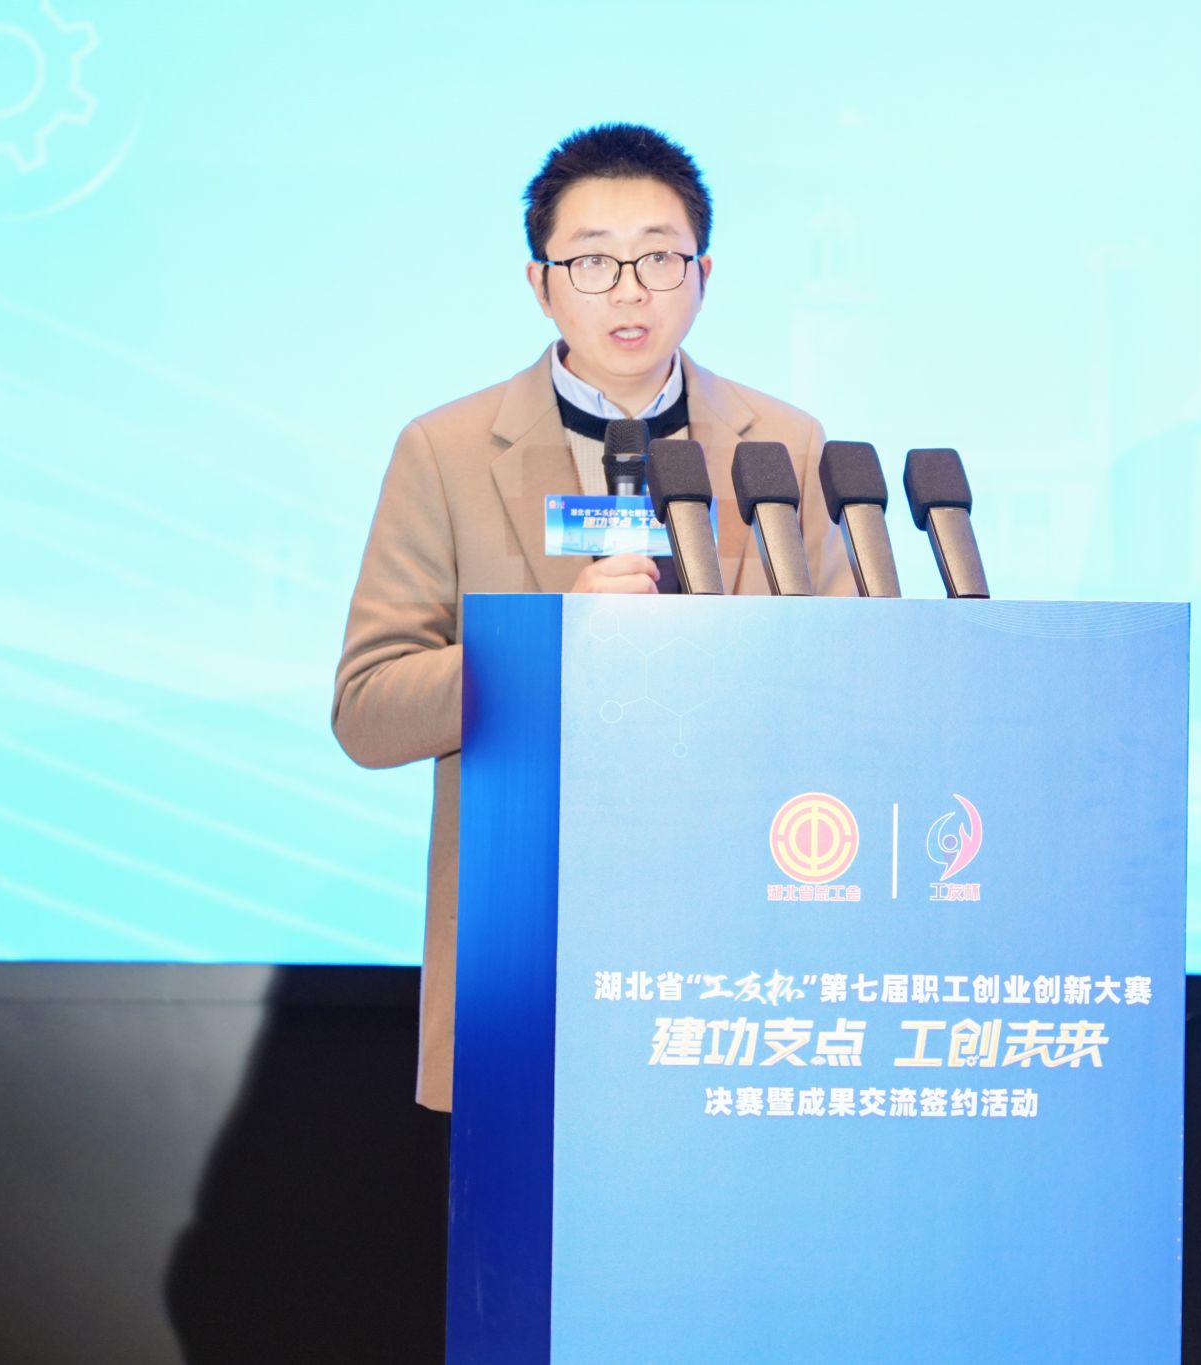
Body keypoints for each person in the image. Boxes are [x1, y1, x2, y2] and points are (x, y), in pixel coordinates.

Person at [332, 123, 849, 1112]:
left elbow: (854, 675)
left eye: (658, 258)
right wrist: (544, 643)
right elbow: (367, 710)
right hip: (535, 939)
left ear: (703, 275)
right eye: (593, 262)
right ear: (541, 283)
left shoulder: (784, 443)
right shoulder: (445, 450)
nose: (629, 291)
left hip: (747, 936)